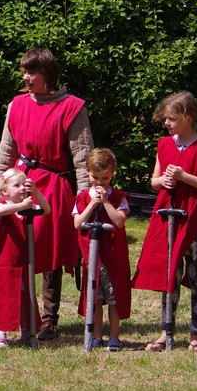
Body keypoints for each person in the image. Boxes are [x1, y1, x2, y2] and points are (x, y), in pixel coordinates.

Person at [0, 48, 94, 341]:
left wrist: (84, 197)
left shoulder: (72, 106)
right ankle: (20, 315)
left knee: (50, 253)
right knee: (16, 250)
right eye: (25, 71)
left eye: (32, 72)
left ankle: (49, 319)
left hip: (53, 186)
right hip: (18, 183)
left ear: (48, 74)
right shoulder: (17, 105)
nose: (26, 77)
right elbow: (6, 151)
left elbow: (82, 155)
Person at [133, 91, 197, 353]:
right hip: (167, 216)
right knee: (169, 273)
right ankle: (166, 331)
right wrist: (163, 181)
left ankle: (195, 334)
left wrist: (185, 177)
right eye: (166, 118)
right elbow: (154, 180)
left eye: (171, 118)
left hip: (194, 218)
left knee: (196, 274)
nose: (166, 123)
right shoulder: (164, 144)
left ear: (188, 118)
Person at [0, 168, 51, 348]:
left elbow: (45, 210)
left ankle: (27, 332)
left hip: (22, 261)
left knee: (24, 295)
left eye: (24, 185)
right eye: (17, 185)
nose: (22, 188)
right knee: (3, 296)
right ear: (5, 190)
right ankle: (1, 334)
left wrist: (36, 192)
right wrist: (23, 206)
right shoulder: (4, 205)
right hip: (3, 260)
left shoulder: (27, 207)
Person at [72, 148, 131, 352]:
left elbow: (119, 221)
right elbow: (78, 223)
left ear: (112, 174)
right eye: (95, 177)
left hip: (113, 255)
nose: (99, 182)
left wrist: (105, 202)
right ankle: (96, 335)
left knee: (114, 295)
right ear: (88, 173)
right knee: (94, 296)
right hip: (92, 256)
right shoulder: (82, 197)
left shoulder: (118, 197)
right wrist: (92, 204)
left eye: (105, 178)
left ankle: (114, 336)